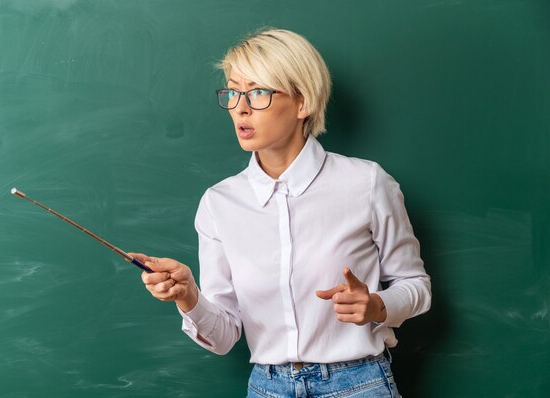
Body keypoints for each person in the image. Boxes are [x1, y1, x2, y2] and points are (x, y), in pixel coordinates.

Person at [130, 28, 431, 398]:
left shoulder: (366, 183)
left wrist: (378, 306)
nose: (240, 107)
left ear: (302, 103)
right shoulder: (219, 203)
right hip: (267, 386)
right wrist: (188, 296)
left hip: (358, 383)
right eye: (232, 91)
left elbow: (417, 287)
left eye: (257, 92)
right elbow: (223, 337)